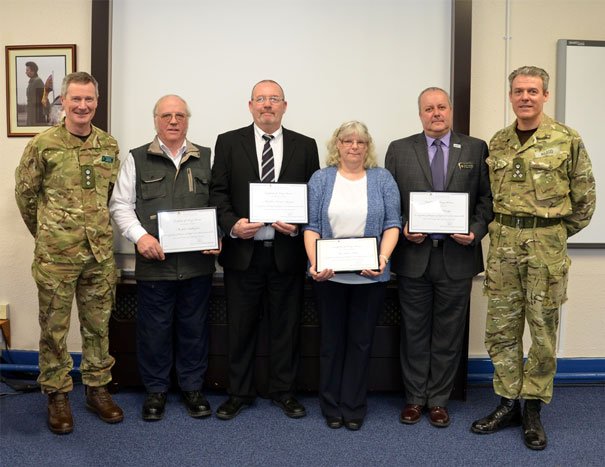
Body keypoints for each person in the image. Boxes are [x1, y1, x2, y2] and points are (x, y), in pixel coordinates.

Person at [471, 66, 596, 450]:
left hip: (545, 247)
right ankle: (508, 402)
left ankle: (533, 408)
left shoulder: (566, 139)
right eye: (519, 91)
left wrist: (552, 234)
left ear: (545, 95)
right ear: (511, 96)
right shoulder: (499, 141)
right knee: (501, 329)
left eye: (533, 91)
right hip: (504, 246)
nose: (525, 97)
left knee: (542, 331)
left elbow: (585, 201)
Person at [15, 71, 124, 434]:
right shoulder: (43, 144)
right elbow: (26, 195)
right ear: (63, 101)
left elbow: (110, 195)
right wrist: (48, 234)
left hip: (99, 255)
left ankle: (97, 388)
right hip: (56, 257)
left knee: (98, 326)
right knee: (54, 329)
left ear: (97, 102)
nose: (82, 105)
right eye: (75, 98)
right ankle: (57, 394)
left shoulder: (109, 145)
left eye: (89, 99)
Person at [209, 79, 320, 420]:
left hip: (287, 253)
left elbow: (312, 195)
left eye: (274, 99)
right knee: (240, 328)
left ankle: (284, 392)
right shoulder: (228, 142)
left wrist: (298, 226)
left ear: (284, 106)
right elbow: (218, 192)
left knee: (286, 328)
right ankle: (239, 393)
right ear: (250, 105)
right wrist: (232, 225)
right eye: (261, 99)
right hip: (244, 253)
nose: (267, 105)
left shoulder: (305, 145)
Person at [385, 87, 493, 428]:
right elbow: (390, 201)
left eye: (441, 107)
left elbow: (487, 200)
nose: (436, 113)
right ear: (420, 114)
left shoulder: (475, 148)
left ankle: (439, 401)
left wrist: (475, 230)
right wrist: (403, 226)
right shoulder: (399, 149)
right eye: (429, 108)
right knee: (414, 332)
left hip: (457, 257)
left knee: (448, 333)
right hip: (413, 256)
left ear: (451, 110)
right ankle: (415, 398)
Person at [110, 95, 220, 421]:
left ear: (188, 120)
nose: (173, 121)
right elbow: (120, 205)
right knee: (154, 331)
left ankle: (192, 388)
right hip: (155, 265)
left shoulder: (207, 157)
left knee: (194, 329)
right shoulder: (136, 158)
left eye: (180, 115)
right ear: (155, 120)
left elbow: (221, 203)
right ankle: (156, 391)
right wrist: (140, 237)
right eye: (166, 115)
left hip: (197, 265)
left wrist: (219, 235)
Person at [303, 121, 401, 431]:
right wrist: (315, 262)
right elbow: (311, 227)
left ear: (368, 146)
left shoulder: (382, 179)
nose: (354, 146)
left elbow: (392, 224)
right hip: (329, 277)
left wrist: (382, 259)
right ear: (338, 145)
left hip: (369, 277)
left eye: (360, 141)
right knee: (331, 343)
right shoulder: (321, 179)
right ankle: (331, 406)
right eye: (347, 141)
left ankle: (354, 406)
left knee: (361, 343)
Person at [25, 61, 46, 125]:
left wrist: (47, 112)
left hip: (37, 115)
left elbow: (44, 98)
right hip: (31, 113)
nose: (26, 72)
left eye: (27, 70)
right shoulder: (31, 82)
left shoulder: (38, 82)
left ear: (33, 71)